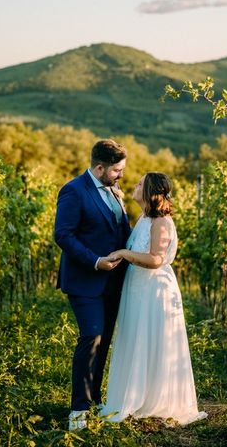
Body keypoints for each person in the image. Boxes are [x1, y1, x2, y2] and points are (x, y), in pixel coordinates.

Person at [101, 172, 207, 425]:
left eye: (140, 184)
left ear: (150, 192)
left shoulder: (161, 221)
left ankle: (155, 399)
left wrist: (125, 253)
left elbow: (156, 259)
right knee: (137, 336)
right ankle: (138, 395)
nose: (135, 185)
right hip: (138, 286)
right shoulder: (144, 218)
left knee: (151, 338)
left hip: (154, 289)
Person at [54, 139, 132, 431]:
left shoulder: (115, 192)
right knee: (91, 337)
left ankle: (94, 399)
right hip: (85, 280)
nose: (121, 175)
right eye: (116, 170)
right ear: (99, 167)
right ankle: (78, 410)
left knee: (104, 342)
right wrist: (95, 261)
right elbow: (63, 235)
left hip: (113, 282)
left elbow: (122, 232)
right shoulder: (73, 191)